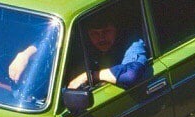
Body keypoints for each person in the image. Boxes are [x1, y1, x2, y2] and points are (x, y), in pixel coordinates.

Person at [8, 13, 148, 90]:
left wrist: (88, 76)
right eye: (95, 33)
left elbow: (131, 74)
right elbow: (52, 40)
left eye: (106, 31)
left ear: (116, 30)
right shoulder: (81, 39)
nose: (101, 38)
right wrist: (25, 54)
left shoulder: (131, 40)